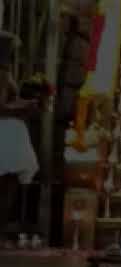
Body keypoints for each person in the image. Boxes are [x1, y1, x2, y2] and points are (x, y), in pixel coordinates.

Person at [0, 32, 39, 245]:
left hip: (10, 131)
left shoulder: (5, 73)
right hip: (5, 132)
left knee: (9, 183)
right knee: (7, 184)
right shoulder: (1, 74)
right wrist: (24, 106)